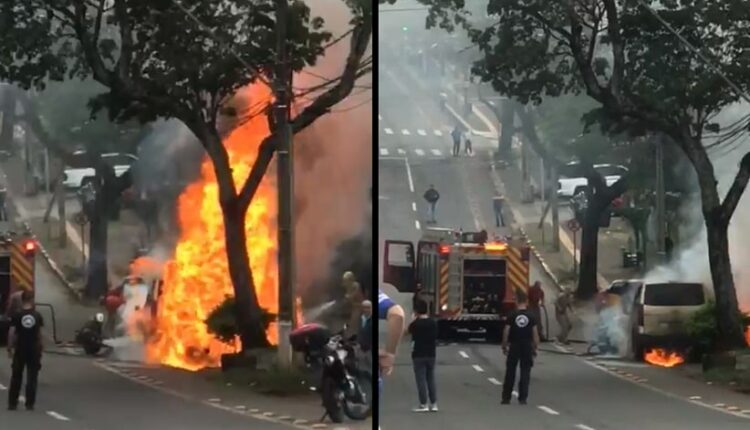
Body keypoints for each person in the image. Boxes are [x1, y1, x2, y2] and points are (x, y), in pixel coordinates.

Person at [6, 290, 43, 411]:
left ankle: (12, 403)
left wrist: (10, 347)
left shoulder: (17, 315)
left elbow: (12, 332)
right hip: (33, 349)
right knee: (32, 377)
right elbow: (39, 334)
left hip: (20, 349)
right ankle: (30, 403)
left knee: (16, 376)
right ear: (32, 300)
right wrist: (41, 348)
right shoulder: (37, 316)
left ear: (22, 300)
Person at [501, 291, 539, 405]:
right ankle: (523, 398)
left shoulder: (512, 315)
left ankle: (506, 398)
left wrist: (504, 345)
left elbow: (506, 331)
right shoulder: (531, 316)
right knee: (525, 371)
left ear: (517, 301)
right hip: (527, 345)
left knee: (510, 372)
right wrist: (535, 347)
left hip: (514, 345)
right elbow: (535, 333)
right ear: (526, 302)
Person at [408, 298, 438, 412]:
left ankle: (423, 403)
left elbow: (407, 331)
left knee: (421, 379)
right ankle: (434, 404)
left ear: (416, 311)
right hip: (431, 354)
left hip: (418, 354)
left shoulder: (416, 324)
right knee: (431, 378)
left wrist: (412, 320)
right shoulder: (433, 323)